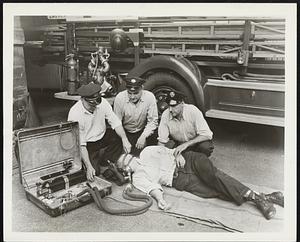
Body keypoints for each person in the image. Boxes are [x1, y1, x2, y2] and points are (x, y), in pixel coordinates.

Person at [116, 145, 284, 220]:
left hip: (188, 160)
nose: (130, 162)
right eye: (126, 164)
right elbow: (153, 189)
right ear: (126, 170)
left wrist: (177, 154)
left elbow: (169, 151)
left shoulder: (147, 151)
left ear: (133, 156)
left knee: (213, 176)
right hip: (180, 180)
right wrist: (161, 200)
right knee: (214, 192)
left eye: (128, 158)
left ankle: (257, 198)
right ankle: (264, 198)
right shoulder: (138, 178)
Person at [67, 83, 131, 181]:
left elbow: (115, 122)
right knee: (94, 172)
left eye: (96, 104)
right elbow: (81, 144)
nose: (94, 107)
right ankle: (91, 162)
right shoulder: (75, 114)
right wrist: (89, 167)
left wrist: (125, 139)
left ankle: (107, 160)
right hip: (88, 144)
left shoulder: (102, 103)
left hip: (102, 136)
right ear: (82, 99)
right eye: (90, 104)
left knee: (119, 136)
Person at [158, 90, 214, 158]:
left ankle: (200, 160)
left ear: (182, 103)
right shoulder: (165, 115)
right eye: (169, 106)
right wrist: (160, 156)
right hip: (180, 144)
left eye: (173, 106)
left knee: (205, 147)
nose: (170, 110)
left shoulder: (192, 110)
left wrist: (186, 144)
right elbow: (161, 141)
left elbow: (207, 134)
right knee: (175, 159)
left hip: (196, 143)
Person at [113, 76, 159, 156]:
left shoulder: (150, 97)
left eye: (136, 93)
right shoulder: (119, 98)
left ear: (142, 88)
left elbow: (153, 121)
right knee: (117, 154)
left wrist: (143, 136)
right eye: (129, 93)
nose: (132, 97)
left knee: (146, 153)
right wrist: (124, 139)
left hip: (142, 130)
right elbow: (117, 123)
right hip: (125, 131)